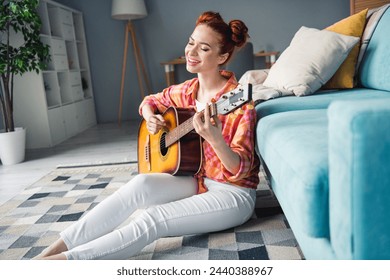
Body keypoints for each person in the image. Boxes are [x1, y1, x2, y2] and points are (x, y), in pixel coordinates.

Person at [35, 11, 260, 260]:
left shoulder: (239, 102)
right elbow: (149, 101)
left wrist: (216, 140)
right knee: (140, 185)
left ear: (223, 56)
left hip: (231, 193)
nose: (191, 52)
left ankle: (60, 264)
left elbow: (242, 169)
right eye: (190, 42)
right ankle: (52, 251)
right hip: (197, 180)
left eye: (204, 48)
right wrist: (150, 116)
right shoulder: (187, 91)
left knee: (154, 218)